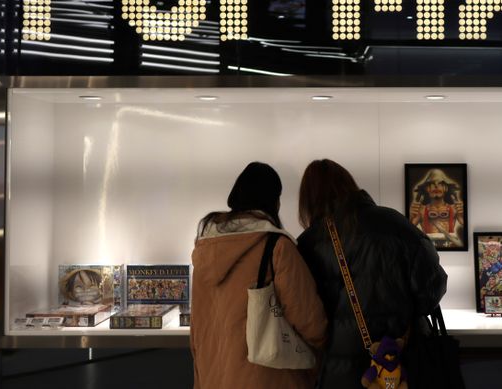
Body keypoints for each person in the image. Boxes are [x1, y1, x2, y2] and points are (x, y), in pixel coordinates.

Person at [297, 159, 448, 389]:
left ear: (308, 200)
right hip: (404, 365)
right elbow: (432, 288)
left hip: (340, 372)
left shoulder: (309, 244)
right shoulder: (396, 224)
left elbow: (307, 317)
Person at [190, 162, 328, 389]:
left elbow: (197, 330)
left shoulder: (204, 249)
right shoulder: (276, 246)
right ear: (273, 201)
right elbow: (311, 323)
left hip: (213, 377)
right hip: (268, 378)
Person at [408, 168, 465, 249]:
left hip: (450, 245)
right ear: (427, 188)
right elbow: (408, 231)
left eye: (440, 183)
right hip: (428, 248)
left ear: (446, 187)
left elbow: (466, 228)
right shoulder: (421, 210)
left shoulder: (454, 208)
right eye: (432, 183)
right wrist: (411, 217)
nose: (436, 186)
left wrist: (462, 215)